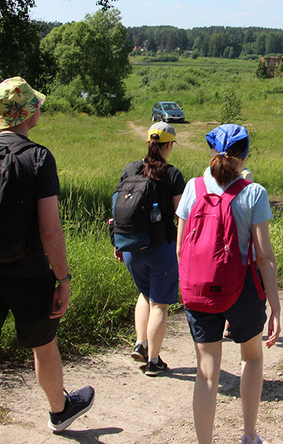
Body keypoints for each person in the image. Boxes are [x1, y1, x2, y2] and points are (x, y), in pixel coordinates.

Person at [0, 77, 94, 443]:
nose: (40, 108)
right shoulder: (39, 157)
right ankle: (59, 411)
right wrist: (62, 279)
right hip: (27, 272)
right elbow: (50, 230)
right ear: (27, 112)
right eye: (36, 104)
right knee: (43, 343)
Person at [176, 124, 281, 444]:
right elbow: (263, 257)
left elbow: (180, 247)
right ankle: (249, 435)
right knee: (251, 357)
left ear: (212, 151)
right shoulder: (254, 193)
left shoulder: (193, 188)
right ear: (245, 154)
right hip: (244, 287)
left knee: (207, 371)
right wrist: (275, 305)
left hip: (200, 288)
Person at [114, 121, 186, 376]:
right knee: (160, 305)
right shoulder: (173, 174)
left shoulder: (130, 168)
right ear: (169, 145)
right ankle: (154, 361)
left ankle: (140, 342)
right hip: (161, 248)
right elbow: (181, 214)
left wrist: (118, 242)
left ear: (148, 143)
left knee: (144, 294)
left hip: (131, 246)